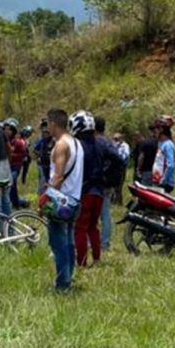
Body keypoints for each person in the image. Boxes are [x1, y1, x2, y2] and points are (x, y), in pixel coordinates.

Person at [44, 109, 82, 291]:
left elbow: (58, 177)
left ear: (53, 123)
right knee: (68, 242)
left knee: (58, 245)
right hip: (75, 199)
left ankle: (62, 284)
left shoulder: (61, 145)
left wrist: (45, 198)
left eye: (47, 124)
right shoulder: (77, 143)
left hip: (61, 201)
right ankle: (68, 277)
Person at [70, 111, 104, 267]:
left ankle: (81, 262)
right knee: (93, 227)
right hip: (99, 191)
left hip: (84, 192)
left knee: (80, 228)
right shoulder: (101, 143)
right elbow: (119, 160)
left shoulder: (78, 145)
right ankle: (97, 259)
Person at [94, 117, 126, 252]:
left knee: (94, 215)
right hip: (107, 184)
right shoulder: (109, 143)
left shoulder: (95, 142)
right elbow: (121, 160)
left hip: (97, 183)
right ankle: (104, 243)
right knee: (105, 214)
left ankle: (96, 242)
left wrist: (103, 171)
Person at [3, 119, 27, 209]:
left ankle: (16, 204)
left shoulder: (18, 143)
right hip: (5, 167)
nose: (7, 131)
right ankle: (10, 202)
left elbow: (23, 155)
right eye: (5, 129)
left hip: (14, 167)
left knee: (12, 182)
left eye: (9, 129)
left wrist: (11, 154)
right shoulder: (2, 141)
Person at [150, 116, 175, 193]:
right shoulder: (160, 143)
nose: (153, 133)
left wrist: (163, 181)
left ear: (161, 130)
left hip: (163, 183)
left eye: (155, 130)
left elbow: (170, 165)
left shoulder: (168, 145)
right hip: (157, 181)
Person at [33, 121, 54, 194]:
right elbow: (35, 149)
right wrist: (40, 154)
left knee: (50, 181)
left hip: (51, 165)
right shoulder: (41, 140)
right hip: (43, 164)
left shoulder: (54, 140)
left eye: (46, 132)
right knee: (43, 180)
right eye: (43, 132)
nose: (44, 134)